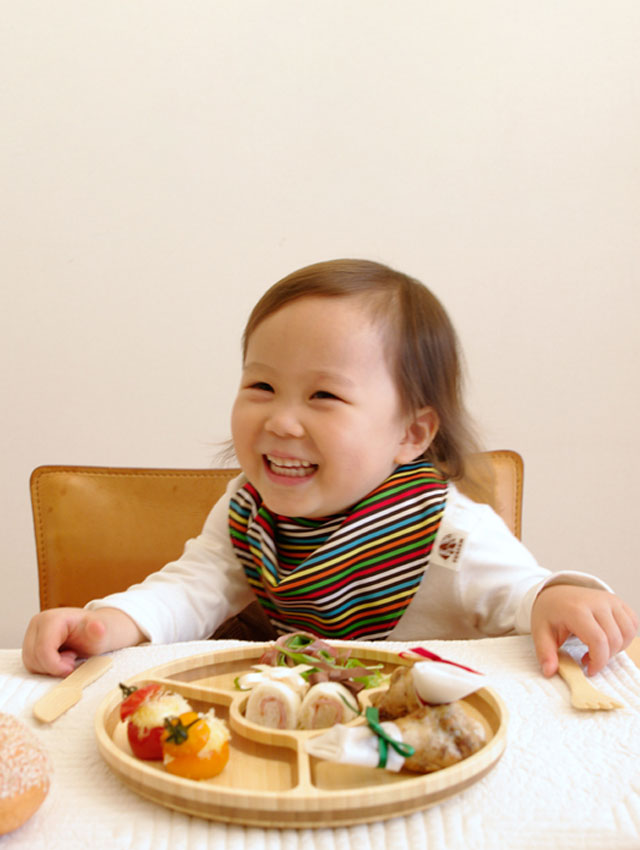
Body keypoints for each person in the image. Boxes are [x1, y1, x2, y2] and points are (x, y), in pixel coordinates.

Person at [22, 259, 638, 679]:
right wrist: (104, 623)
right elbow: (192, 587)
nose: (283, 422)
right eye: (261, 385)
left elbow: (524, 593)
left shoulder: (449, 534)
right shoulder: (249, 509)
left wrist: (561, 597)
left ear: (412, 433)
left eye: (324, 397)